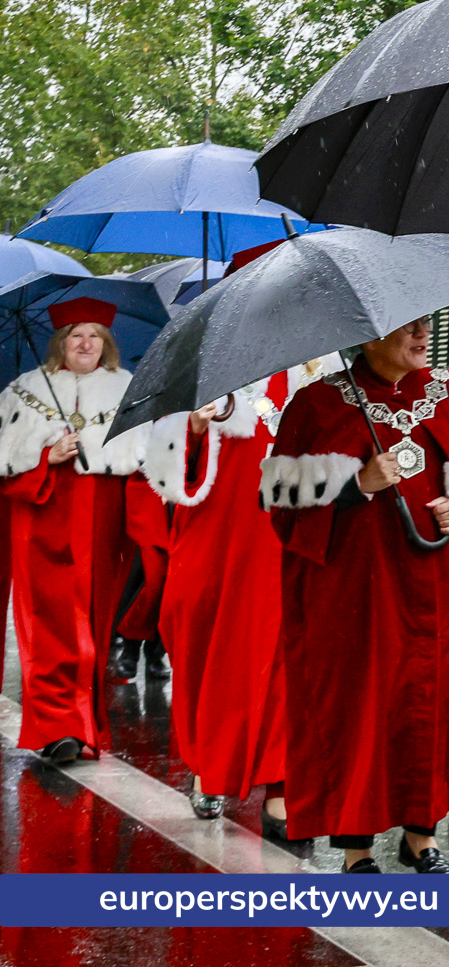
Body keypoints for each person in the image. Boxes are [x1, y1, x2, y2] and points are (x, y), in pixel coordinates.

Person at [263, 317, 449, 873]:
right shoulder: (315, 405)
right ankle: (357, 850)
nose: (424, 336)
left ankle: (422, 837)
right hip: (359, 591)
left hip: (448, 589)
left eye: (427, 325)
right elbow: (282, 512)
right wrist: (357, 487)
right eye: (409, 327)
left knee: (435, 707)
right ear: (369, 334)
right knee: (362, 709)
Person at [146, 344, 335, 832]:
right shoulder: (205, 374)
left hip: (285, 540)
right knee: (210, 654)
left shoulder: (323, 372)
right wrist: (191, 427)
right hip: (215, 544)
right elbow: (166, 474)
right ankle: (213, 763)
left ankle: (282, 787)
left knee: (287, 662)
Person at [0, 297, 161, 764]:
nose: (86, 342)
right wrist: (43, 459)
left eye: (95, 334)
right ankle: (58, 728)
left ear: (107, 343)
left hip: (104, 525)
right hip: (42, 522)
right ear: (61, 343)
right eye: (76, 334)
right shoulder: (25, 391)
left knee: (92, 626)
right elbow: (6, 466)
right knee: (48, 627)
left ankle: (85, 723)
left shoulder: (128, 390)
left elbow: (144, 466)